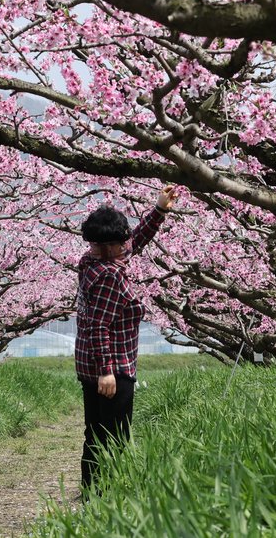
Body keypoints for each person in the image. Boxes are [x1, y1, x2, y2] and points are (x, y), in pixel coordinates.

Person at [74, 185, 178, 495]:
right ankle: (104, 494)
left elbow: (137, 241)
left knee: (96, 430)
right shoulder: (109, 275)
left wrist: (159, 210)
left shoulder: (95, 260)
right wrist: (107, 370)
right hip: (112, 367)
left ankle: (94, 491)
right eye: (120, 243)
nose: (125, 246)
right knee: (113, 434)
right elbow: (99, 326)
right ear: (108, 247)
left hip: (91, 363)